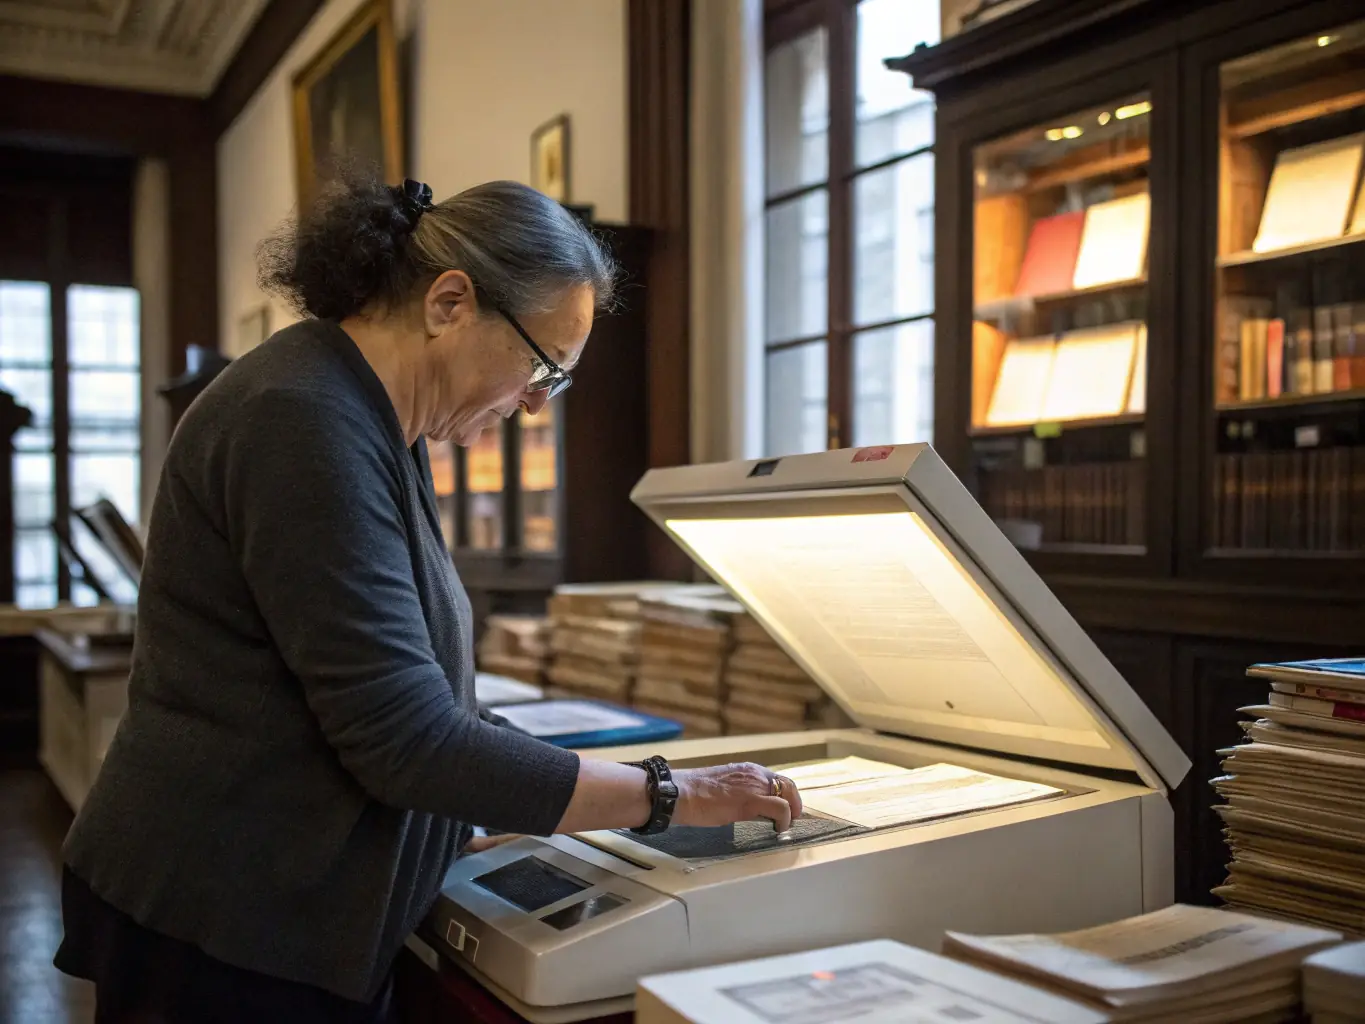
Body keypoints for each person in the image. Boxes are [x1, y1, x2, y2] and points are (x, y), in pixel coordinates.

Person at [53, 174, 803, 1023]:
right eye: (541, 367)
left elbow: (410, 687)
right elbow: (404, 738)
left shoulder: (368, 415)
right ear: (450, 302)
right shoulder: (301, 418)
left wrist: (510, 791)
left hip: (259, 895)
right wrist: (668, 795)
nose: (530, 406)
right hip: (227, 913)